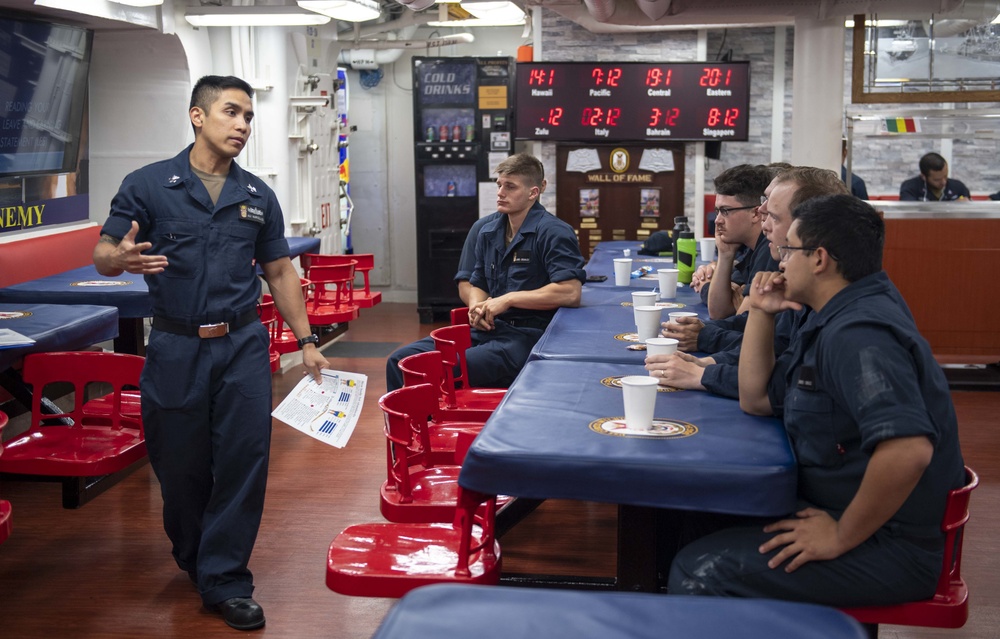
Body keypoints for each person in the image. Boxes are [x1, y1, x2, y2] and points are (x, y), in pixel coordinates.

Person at [93, 75, 328, 631]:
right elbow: (104, 250)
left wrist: (307, 341)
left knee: (244, 460)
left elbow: (278, 271)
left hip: (244, 346)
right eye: (232, 112)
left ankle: (225, 578)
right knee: (180, 467)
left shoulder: (256, 196)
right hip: (175, 345)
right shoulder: (149, 186)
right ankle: (197, 556)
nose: (243, 125)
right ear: (197, 116)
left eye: (249, 116)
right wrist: (117, 260)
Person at [668, 194, 965, 607]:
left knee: (700, 570)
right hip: (844, 511)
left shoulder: (859, 333)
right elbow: (755, 398)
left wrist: (841, 535)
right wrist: (762, 312)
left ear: (820, 259)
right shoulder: (832, 312)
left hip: (888, 546)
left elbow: (908, 449)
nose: (780, 261)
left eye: (789, 249)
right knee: (691, 513)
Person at [385, 154, 585, 392]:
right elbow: (476, 281)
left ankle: (433, 423)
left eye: (510, 187)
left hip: (527, 336)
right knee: (400, 361)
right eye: (499, 185)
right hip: (486, 331)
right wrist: (477, 307)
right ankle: (417, 427)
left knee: (447, 367)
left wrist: (508, 299)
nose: (500, 192)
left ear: (533, 193)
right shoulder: (487, 230)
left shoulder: (554, 232)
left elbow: (570, 292)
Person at [652, 167, 848, 398]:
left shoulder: (855, 330)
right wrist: (706, 364)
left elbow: (767, 391)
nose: (763, 223)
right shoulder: (810, 298)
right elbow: (777, 351)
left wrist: (702, 371)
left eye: (772, 215)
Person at [691, 164, 777, 321]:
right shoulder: (752, 247)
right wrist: (725, 254)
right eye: (717, 211)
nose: (717, 221)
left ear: (756, 213)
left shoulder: (768, 249)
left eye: (725, 211)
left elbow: (742, 326)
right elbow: (718, 313)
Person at [899, 152, 970, 201]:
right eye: (937, 180)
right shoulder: (910, 187)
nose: (944, 182)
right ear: (923, 176)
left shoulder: (958, 187)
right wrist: (952, 207)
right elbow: (909, 213)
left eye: (945, 176)